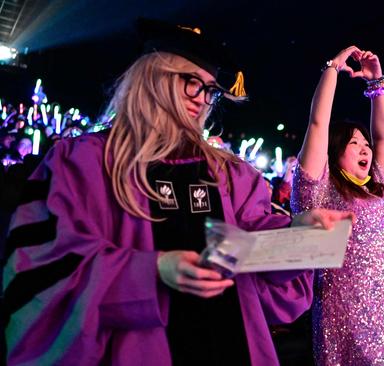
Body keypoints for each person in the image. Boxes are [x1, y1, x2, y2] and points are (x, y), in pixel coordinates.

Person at [2, 18, 353, 366]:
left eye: (211, 90)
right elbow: (45, 269)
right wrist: (152, 270)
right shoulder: (84, 162)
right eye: (192, 82)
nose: (203, 100)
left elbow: (253, 241)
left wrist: (296, 235)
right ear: (152, 77)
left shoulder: (231, 174)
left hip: (232, 346)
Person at [291, 46, 384, 365]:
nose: (367, 149)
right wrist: (332, 68)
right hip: (351, 320)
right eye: (355, 144)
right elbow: (317, 125)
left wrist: (377, 82)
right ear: (335, 151)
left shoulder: (379, 186)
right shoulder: (319, 189)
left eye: (366, 145)